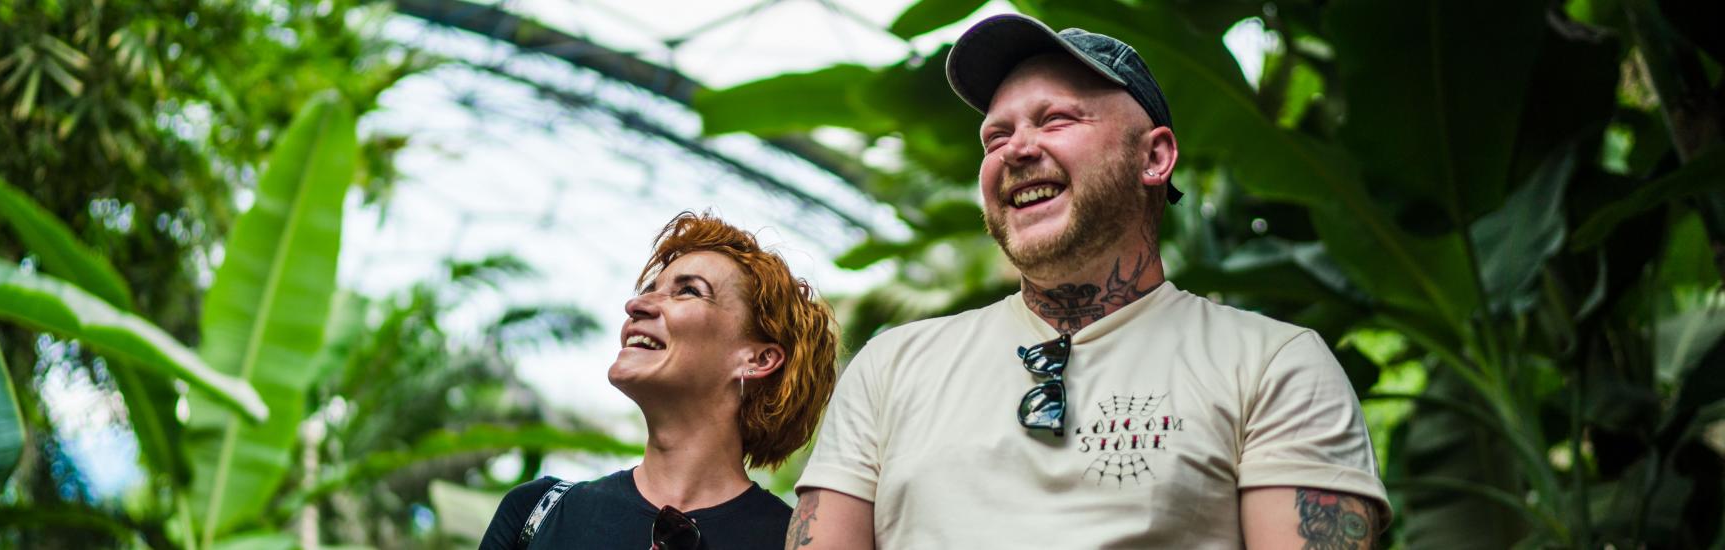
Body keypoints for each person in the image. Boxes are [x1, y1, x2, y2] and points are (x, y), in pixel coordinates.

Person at [786, 14, 1390, 549]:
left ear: (1155, 157)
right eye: (996, 136)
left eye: (1055, 120)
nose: (1016, 149)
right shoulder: (891, 367)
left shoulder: (1273, 364)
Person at [481, 212, 840, 550]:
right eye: (651, 288)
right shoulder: (536, 512)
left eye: (688, 291)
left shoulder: (795, 543)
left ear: (758, 360)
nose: (635, 305)